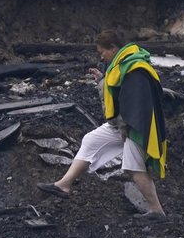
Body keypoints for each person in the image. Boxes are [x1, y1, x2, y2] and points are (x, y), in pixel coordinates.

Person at [39, 30, 168, 220]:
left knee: (134, 167)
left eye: (102, 52)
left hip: (136, 127)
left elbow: (131, 103)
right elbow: (115, 91)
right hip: (122, 124)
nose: (101, 56)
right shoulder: (121, 65)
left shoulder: (134, 68)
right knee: (91, 141)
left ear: (113, 48)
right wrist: (101, 80)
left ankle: (157, 211)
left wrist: (125, 130)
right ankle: (64, 185)